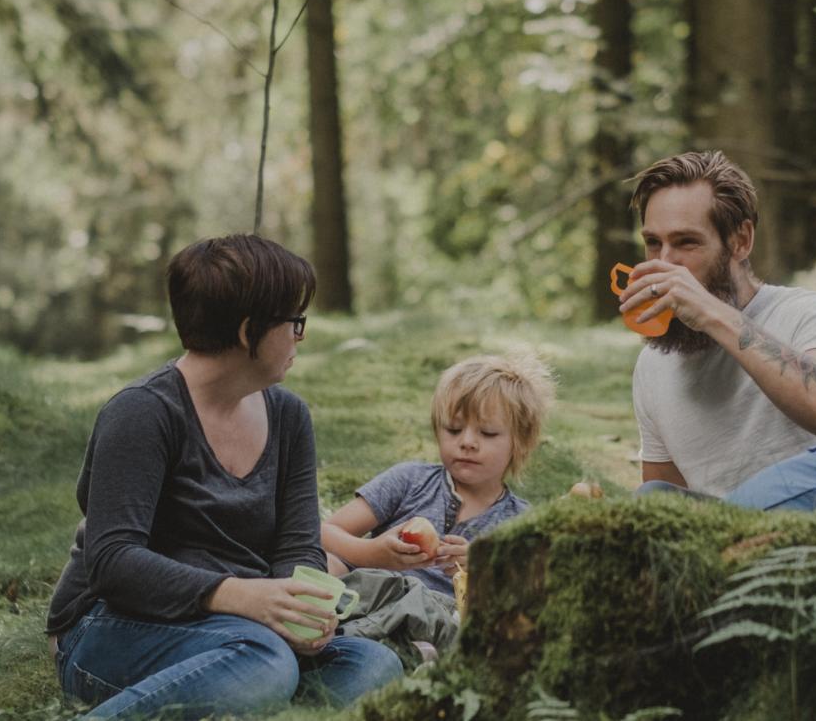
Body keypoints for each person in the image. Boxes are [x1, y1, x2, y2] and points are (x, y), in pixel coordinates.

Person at [44, 234, 401, 719]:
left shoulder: (289, 417)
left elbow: (296, 547)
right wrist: (243, 597)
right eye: (294, 322)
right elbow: (113, 562)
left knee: (373, 666)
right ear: (248, 331)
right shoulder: (142, 414)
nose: (301, 335)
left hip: (238, 628)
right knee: (264, 663)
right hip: (111, 625)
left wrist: (302, 612)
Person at [620, 151, 816, 497]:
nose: (665, 262)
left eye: (686, 242)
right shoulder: (652, 366)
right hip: (723, 541)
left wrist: (711, 314)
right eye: (652, 243)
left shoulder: (807, 314)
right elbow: (666, 508)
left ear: (741, 241)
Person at [321, 351, 555, 595]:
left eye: (487, 433)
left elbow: (531, 596)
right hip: (370, 594)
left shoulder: (521, 523)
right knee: (325, 563)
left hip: (440, 622)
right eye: (454, 430)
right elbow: (324, 532)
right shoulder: (410, 480)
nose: (467, 442)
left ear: (521, 443)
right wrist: (371, 553)